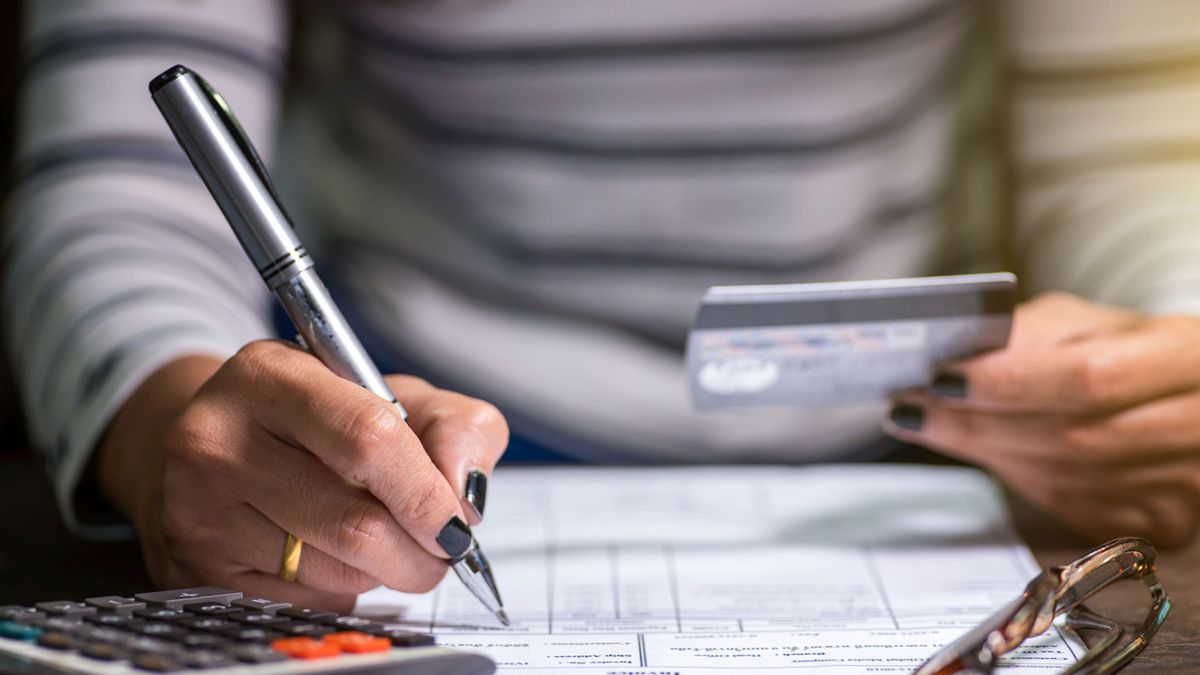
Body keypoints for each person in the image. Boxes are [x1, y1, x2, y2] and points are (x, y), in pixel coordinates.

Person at [5, 0, 1200, 611]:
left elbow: (1137, 145)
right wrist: (171, 428)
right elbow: (118, 180)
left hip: (937, 456)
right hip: (392, 446)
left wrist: (1170, 345)